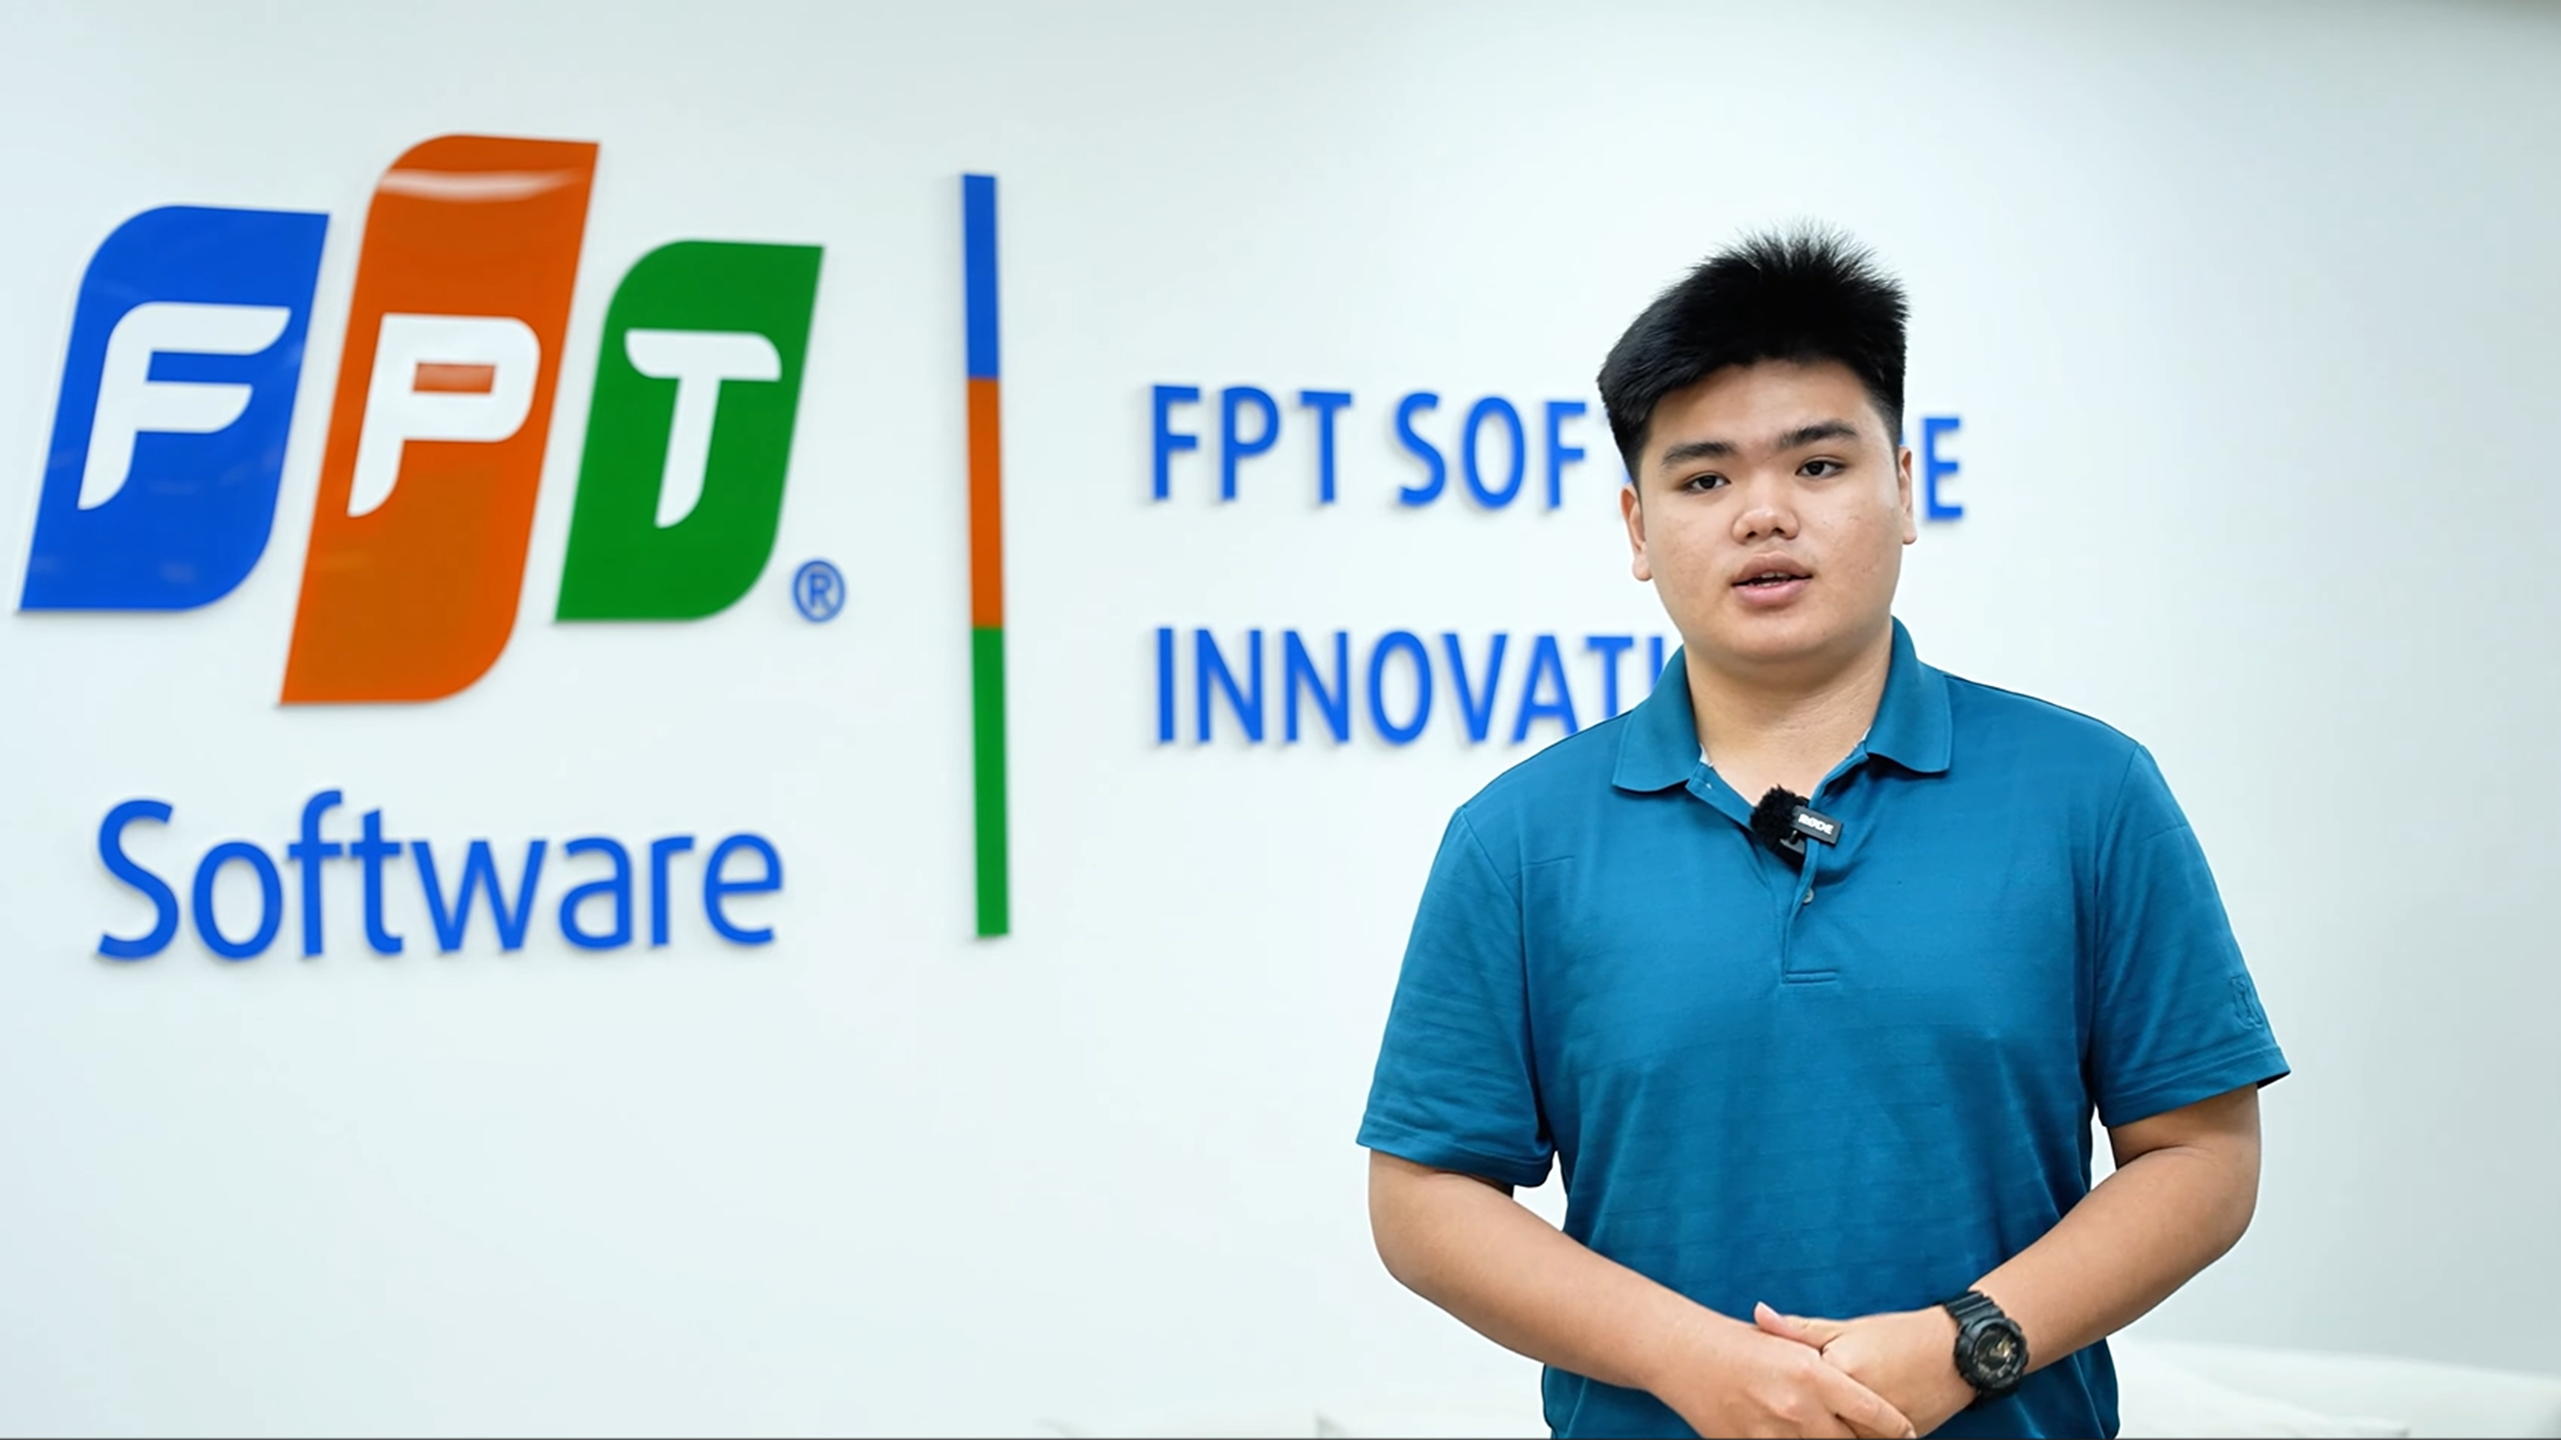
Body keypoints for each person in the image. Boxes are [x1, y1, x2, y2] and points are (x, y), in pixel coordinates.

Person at [1357, 229, 2288, 1439]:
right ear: (1635, 529)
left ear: (1903, 487)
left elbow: (2201, 1158)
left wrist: (1966, 1342)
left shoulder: (2086, 793)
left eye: (1815, 465)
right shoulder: (1518, 840)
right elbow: (1423, 1198)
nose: (1762, 515)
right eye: (1703, 481)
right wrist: (1691, 1362)